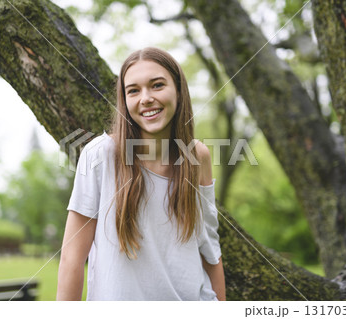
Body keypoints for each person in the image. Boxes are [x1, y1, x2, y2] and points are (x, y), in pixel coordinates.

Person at [56, 47, 226, 301]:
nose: (145, 98)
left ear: (178, 91)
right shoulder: (99, 155)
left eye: (157, 85)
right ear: (124, 100)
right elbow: (72, 257)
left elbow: (210, 251)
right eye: (133, 90)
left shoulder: (197, 156)